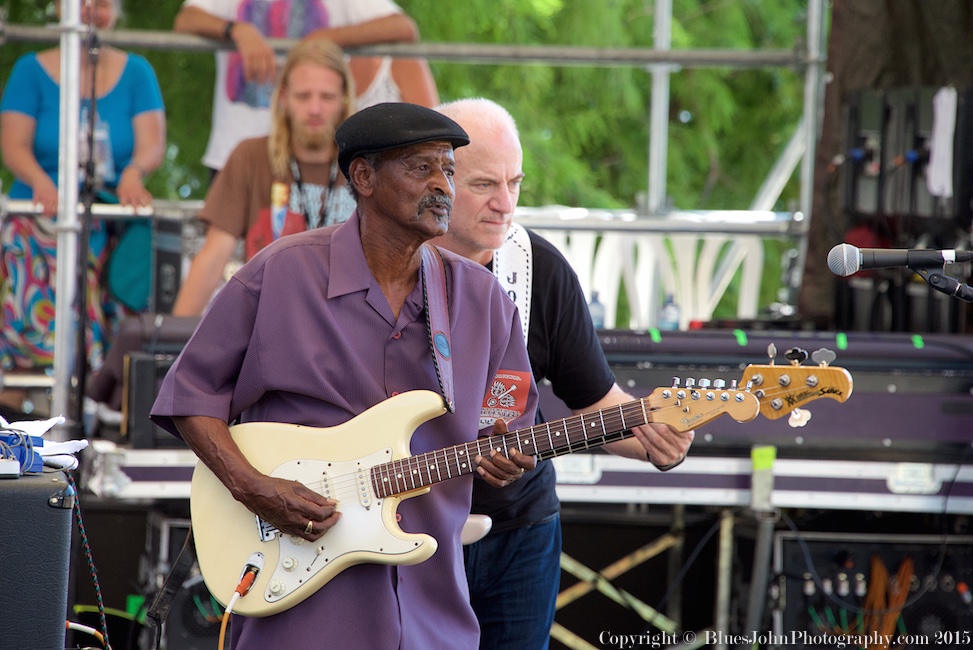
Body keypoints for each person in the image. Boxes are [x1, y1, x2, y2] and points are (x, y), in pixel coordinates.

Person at [149, 102, 539, 649]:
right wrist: (255, 489)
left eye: (448, 170)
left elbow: (508, 425)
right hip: (298, 608)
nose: (442, 186)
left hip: (432, 616)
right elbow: (191, 396)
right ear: (364, 177)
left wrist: (508, 457)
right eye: (421, 168)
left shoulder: (485, 301)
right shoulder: (280, 273)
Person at [432, 98, 696, 650]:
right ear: (438, 180)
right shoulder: (391, 265)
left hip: (519, 531)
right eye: (484, 185)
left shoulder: (538, 269)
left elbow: (597, 404)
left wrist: (656, 440)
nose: (506, 203)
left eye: (515, 182)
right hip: (406, 525)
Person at [0, 0, 165, 374]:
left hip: (107, 217)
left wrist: (133, 173)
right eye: (82, 2)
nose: (91, 10)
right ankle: (26, 378)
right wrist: (41, 181)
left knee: (129, 268)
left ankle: (104, 383)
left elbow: (151, 145)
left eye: (102, 4)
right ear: (61, 7)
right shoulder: (29, 70)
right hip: (40, 217)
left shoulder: (137, 72)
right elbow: (13, 146)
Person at [171, 38, 357, 316]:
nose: (315, 109)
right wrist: (173, 335)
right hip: (271, 320)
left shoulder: (366, 165)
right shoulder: (250, 157)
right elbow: (213, 257)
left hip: (346, 322)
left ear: (344, 100)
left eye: (327, 97)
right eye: (303, 96)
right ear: (283, 97)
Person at [173, 0, 438, 176]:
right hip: (235, 157)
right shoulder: (243, 158)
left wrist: (324, 38)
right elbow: (185, 20)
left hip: (314, 160)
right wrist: (237, 30)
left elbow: (403, 27)